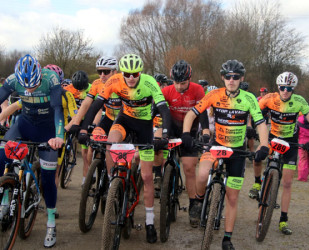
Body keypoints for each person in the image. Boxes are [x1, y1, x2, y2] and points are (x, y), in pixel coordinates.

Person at [78, 53, 171, 244]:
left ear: (140, 73)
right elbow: (96, 105)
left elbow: (163, 109)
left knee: (146, 176)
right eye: (127, 73)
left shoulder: (149, 82)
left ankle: (149, 221)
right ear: (122, 72)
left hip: (144, 126)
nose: (131, 78)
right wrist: (83, 130)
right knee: (110, 143)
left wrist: (166, 136)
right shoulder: (114, 81)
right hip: (124, 120)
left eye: (135, 74)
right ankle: (115, 182)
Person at [182, 59, 269, 250]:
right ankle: (197, 200)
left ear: (241, 78)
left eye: (235, 77)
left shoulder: (249, 99)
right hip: (216, 144)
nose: (231, 80)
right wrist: (186, 134)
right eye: (228, 77)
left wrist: (264, 145)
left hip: (237, 151)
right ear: (223, 78)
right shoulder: (213, 94)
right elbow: (191, 113)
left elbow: (261, 123)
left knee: (232, 197)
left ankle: (227, 238)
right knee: (203, 174)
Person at [0, 54, 64, 247]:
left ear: (40, 73)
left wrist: (59, 136)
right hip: (24, 126)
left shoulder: (50, 79)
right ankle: (5, 197)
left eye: (33, 85)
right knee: (2, 157)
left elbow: (58, 109)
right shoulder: (12, 80)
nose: (29, 89)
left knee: (47, 178)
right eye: (25, 86)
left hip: (48, 132)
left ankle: (51, 222)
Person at [256, 72, 309, 235]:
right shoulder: (269, 98)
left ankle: (283, 220)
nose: (285, 91)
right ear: (278, 87)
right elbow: (254, 113)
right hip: (273, 138)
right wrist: (252, 128)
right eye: (282, 88)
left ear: (293, 89)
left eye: (289, 88)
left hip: (291, 142)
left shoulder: (299, 102)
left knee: (287, 183)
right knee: (257, 154)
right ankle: (258, 183)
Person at [160, 60, 209, 226]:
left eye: (183, 83)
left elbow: (202, 113)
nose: (179, 87)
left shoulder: (197, 89)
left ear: (190, 79)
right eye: (176, 83)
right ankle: (161, 179)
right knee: (156, 148)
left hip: (190, 131)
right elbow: (156, 110)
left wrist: (204, 132)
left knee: (189, 168)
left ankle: (194, 204)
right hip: (172, 127)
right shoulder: (166, 90)